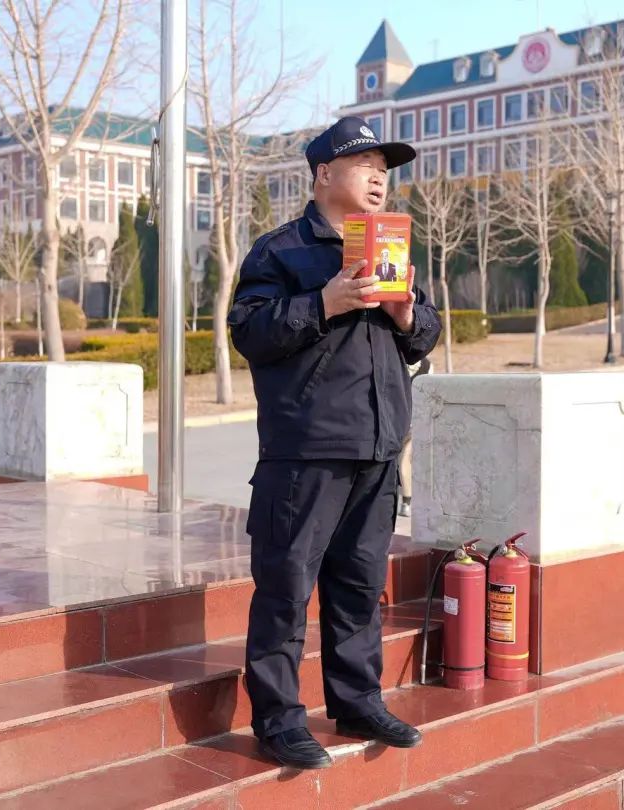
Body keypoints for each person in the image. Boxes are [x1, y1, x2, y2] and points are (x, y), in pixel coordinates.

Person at [229, 116, 441, 770]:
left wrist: (407, 314)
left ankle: (356, 701)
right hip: (306, 452)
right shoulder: (281, 251)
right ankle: (278, 719)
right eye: (365, 166)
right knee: (286, 588)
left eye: (385, 170)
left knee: (359, 587)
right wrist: (325, 301)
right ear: (324, 174)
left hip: (378, 448)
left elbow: (425, 334)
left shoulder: (388, 245)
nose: (379, 179)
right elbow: (250, 333)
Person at [397, 356, 431, 518]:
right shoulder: (426, 365)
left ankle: (406, 502)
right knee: (403, 460)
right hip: (409, 419)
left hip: (405, 419)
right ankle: (406, 501)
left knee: (403, 460)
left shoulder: (395, 359)